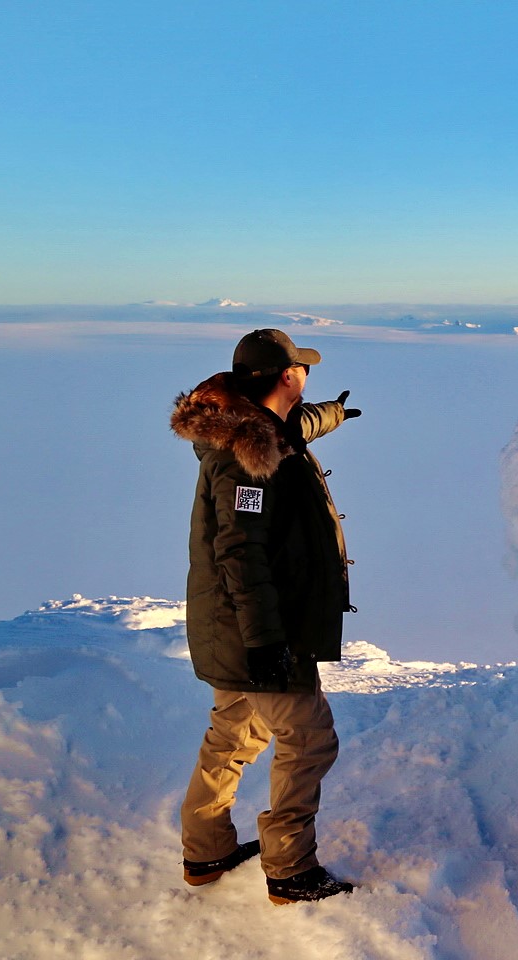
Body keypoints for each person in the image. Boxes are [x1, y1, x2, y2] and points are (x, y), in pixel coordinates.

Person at [170, 328, 363, 904]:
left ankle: (206, 853)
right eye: (303, 369)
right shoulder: (241, 461)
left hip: (231, 632)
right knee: (309, 741)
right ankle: (290, 869)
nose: (307, 376)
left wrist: (332, 415)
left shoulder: (254, 427)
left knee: (233, 733)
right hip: (255, 632)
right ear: (287, 376)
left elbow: (289, 428)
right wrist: (265, 643)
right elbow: (240, 553)